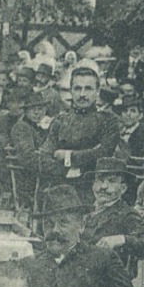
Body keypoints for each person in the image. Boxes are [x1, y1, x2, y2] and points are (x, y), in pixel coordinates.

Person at [39, 64, 126, 198]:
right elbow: (44, 156)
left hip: (93, 192)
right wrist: (66, 171)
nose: (82, 94)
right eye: (78, 88)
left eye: (88, 89)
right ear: (71, 91)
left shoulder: (108, 121)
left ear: (97, 92)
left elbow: (103, 155)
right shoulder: (60, 120)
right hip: (59, 189)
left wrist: (68, 156)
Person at [81, 162, 144, 271]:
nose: (103, 186)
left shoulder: (127, 214)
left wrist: (122, 239)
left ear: (123, 188)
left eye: (112, 181)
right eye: (100, 180)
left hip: (107, 280)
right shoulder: (85, 210)